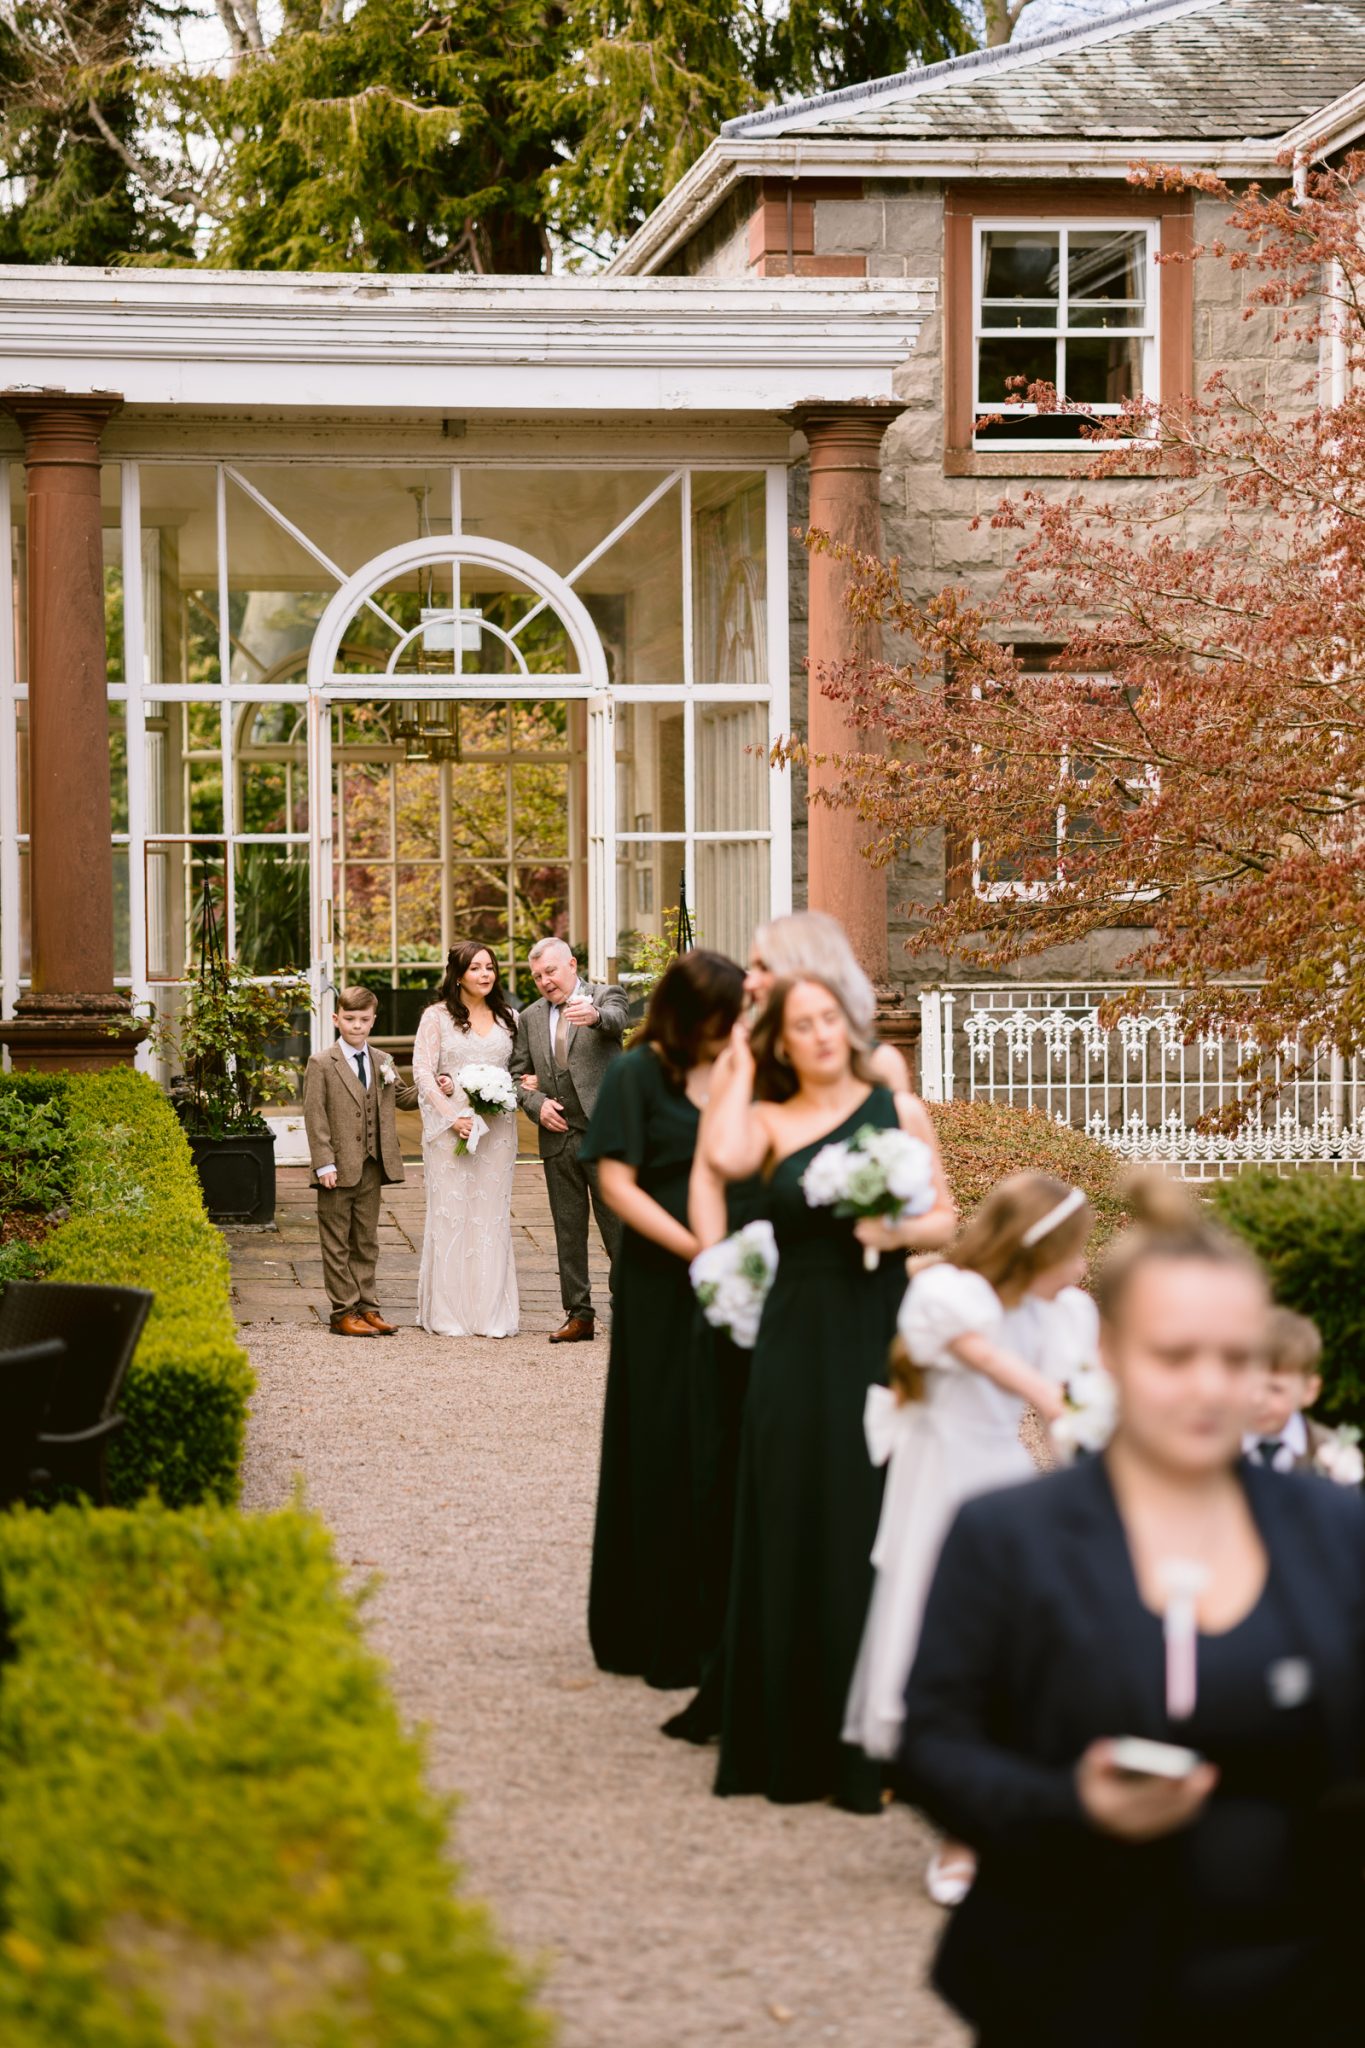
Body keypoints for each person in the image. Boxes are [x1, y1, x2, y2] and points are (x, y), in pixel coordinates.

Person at [898, 1177, 1365, 2048]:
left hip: (1308, 1983)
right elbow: (929, 1743)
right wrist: (1067, 1805)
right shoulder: (1010, 1534)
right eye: (1174, 1356)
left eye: (1235, 1359)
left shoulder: (1336, 1528)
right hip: (1072, 1979)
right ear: (1108, 1350)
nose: (1208, 1388)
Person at [703, 974, 958, 1811]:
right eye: (799, 1025)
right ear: (782, 1043)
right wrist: (738, 1058)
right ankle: (785, 1734)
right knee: (786, 1503)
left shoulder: (896, 1108)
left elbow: (946, 1219)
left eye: (827, 1020)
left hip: (873, 1322)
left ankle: (871, 1742)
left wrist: (894, 1229)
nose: (818, 1035)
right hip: (792, 1332)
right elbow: (726, 1158)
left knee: (866, 1510)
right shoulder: (768, 1120)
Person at [843, 1174, 1094, 1904]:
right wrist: (1058, 1398)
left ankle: (1001, 1809)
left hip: (1003, 1479)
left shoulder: (1067, 1311)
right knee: (940, 1639)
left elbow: (1066, 1412)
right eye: (1073, 1255)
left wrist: (1089, 1482)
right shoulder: (948, 1294)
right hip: (937, 1480)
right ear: (1033, 1249)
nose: (1082, 1270)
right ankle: (955, 1823)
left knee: (1015, 1645)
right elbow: (990, 1359)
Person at [581, 950, 746, 1690]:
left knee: (722, 1438)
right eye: (718, 1017)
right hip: (658, 1279)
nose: (730, 1028)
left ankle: (717, 1617)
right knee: (658, 1435)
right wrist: (695, 1249)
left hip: (737, 1279)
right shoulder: (635, 1073)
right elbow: (615, 1181)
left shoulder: (744, 1072)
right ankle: (643, 1621)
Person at [510, 937, 626, 1343]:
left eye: (551, 971)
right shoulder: (529, 1018)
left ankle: (628, 1309)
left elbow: (616, 1020)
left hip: (606, 1134)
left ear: (572, 965)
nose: (545, 981)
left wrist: (593, 1015)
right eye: (537, 976)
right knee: (568, 1230)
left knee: (618, 1228)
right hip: (558, 1137)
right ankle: (579, 1315)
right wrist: (536, 1103)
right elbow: (515, 1075)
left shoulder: (604, 996)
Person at [412, 942, 520, 1339]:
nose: (485, 974)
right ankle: (449, 1313)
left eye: (490, 967)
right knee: (453, 1214)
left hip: (498, 1132)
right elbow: (423, 1073)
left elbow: (521, 1067)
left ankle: (491, 1313)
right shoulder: (436, 1018)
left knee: (490, 1215)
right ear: (458, 975)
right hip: (451, 1128)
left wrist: (526, 1083)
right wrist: (452, 1114)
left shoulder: (510, 1018)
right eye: (475, 968)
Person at [302, 983, 419, 1338]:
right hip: (336, 1169)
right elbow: (315, 1115)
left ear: (373, 1020)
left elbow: (403, 1097)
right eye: (350, 1018)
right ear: (337, 1019)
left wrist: (435, 1086)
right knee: (337, 1241)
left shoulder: (383, 1061)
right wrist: (324, 1163)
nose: (357, 1025)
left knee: (366, 1241)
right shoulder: (321, 1062)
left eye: (363, 1019)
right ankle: (342, 1311)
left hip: (372, 1166)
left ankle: (368, 1307)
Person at [744, 910, 912, 1094]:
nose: (749, 983)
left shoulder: (879, 1065)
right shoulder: (743, 1061)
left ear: (807, 969)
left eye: (764, 968)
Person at [1243, 1307, 1329, 1473]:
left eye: (1275, 1389)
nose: (1256, 1400)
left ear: (1309, 1391)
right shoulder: (1209, 1447)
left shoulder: (1331, 1452)